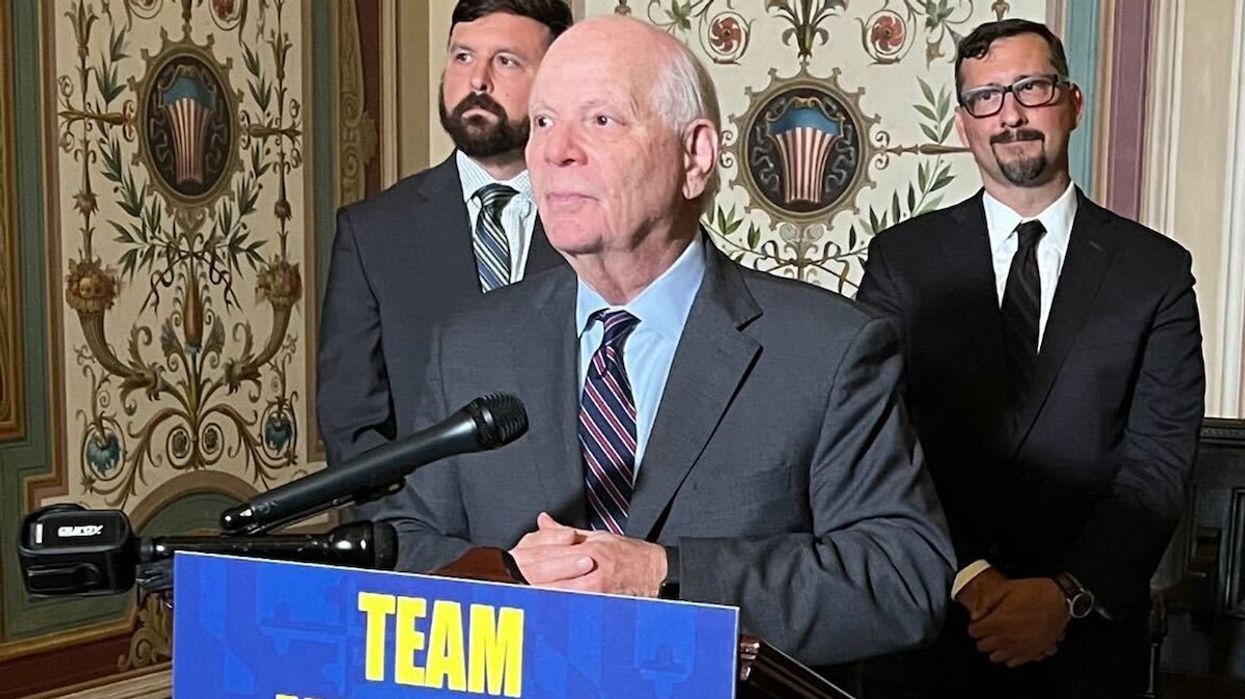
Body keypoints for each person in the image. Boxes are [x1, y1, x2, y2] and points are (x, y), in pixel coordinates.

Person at [370, 16, 954, 670]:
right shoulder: (469, 343)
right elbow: (405, 541)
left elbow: (902, 579)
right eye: (541, 122)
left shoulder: (828, 350)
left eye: (600, 121)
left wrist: (664, 575)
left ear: (695, 156)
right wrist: (502, 574)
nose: (555, 151)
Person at [857, 19, 1205, 698]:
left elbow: (1158, 463)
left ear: (1072, 103)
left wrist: (1065, 596)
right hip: (930, 624)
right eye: (985, 96)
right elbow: (874, 438)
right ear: (963, 123)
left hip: (1088, 640)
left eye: (1030, 88)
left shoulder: (1153, 271)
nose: (1009, 114)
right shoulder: (901, 262)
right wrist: (970, 577)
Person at [317, 0, 573, 468]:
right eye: (462, 56)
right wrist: (421, 537)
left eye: (506, 61)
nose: (477, 81)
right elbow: (352, 431)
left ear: (557, 81)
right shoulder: (373, 232)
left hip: (579, 530)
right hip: (426, 535)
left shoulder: (605, 224)